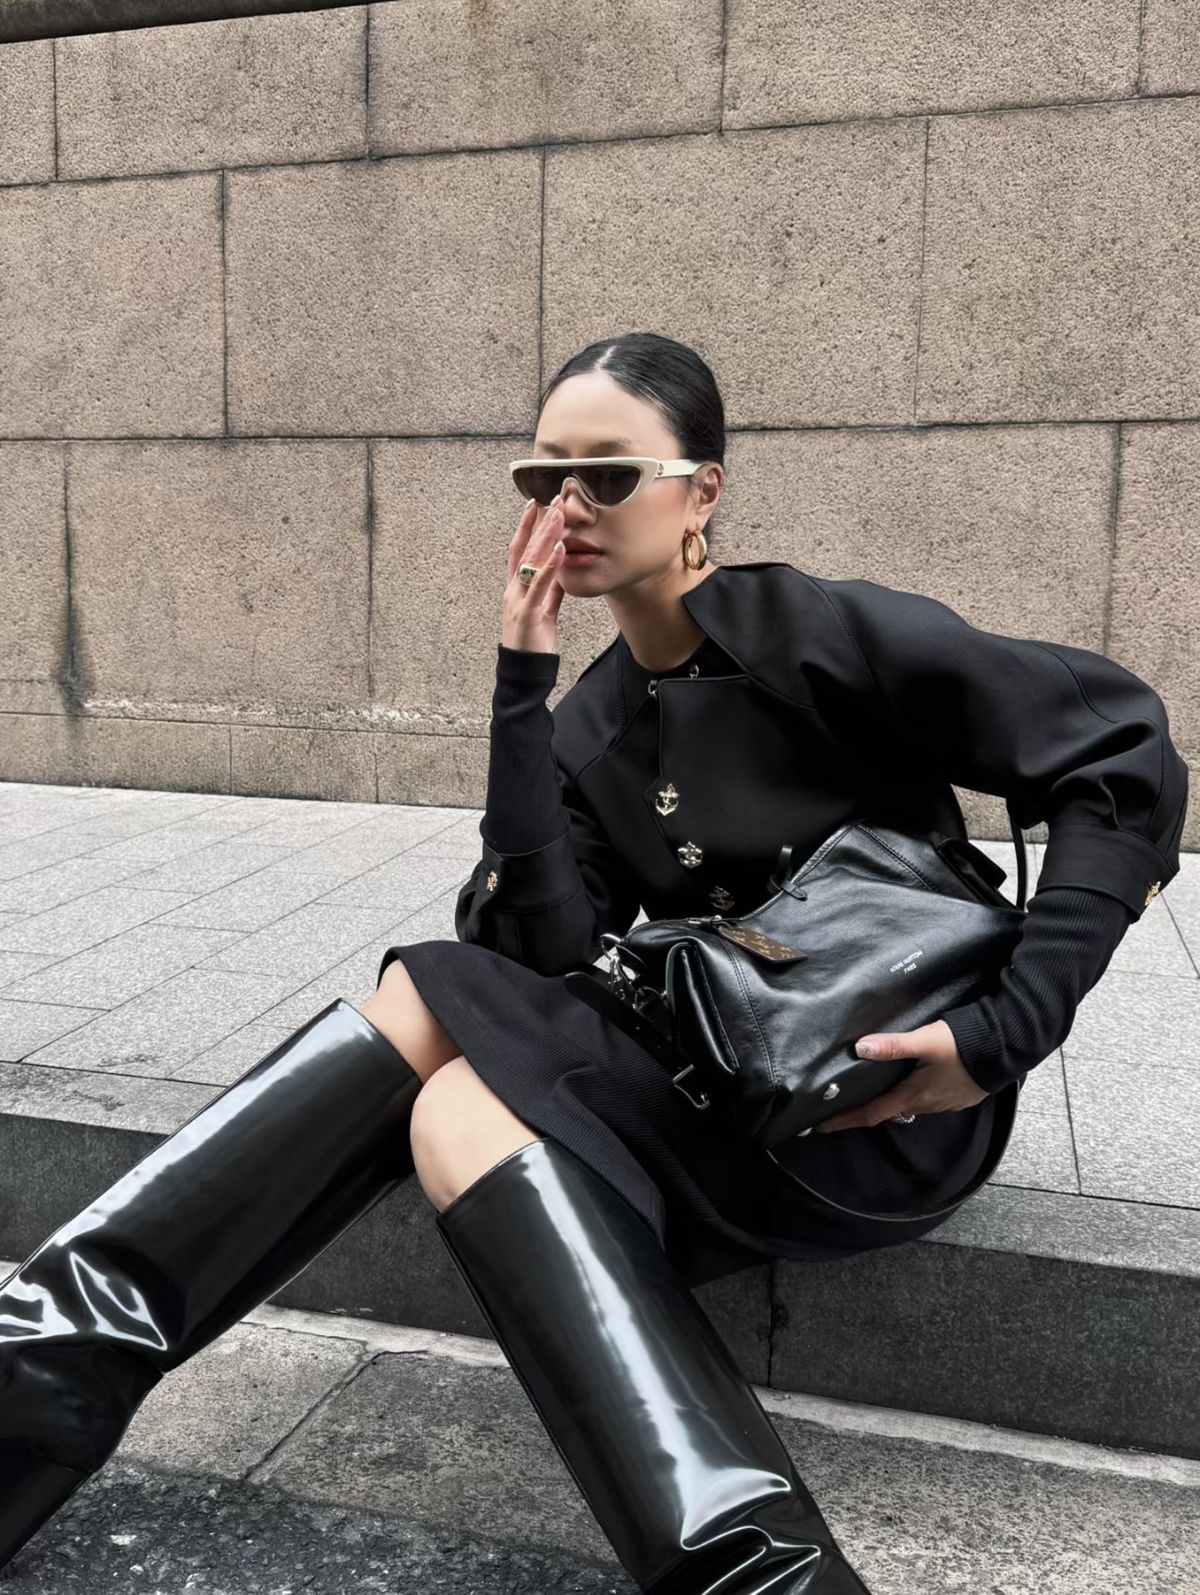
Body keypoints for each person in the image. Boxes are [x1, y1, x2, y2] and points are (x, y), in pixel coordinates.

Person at [0, 332, 1187, 1592]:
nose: (569, 504)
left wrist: (1008, 1030)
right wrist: (523, 691)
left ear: (702, 491)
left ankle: (30, 1383)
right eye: (543, 477)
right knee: (453, 1074)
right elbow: (537, 955)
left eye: (609, 475)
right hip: (718, 1093)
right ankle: (763, 1575)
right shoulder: (596, 716)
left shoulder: (819, 633)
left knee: (439, 1011)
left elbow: (1119, 751)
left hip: (888, 1102)